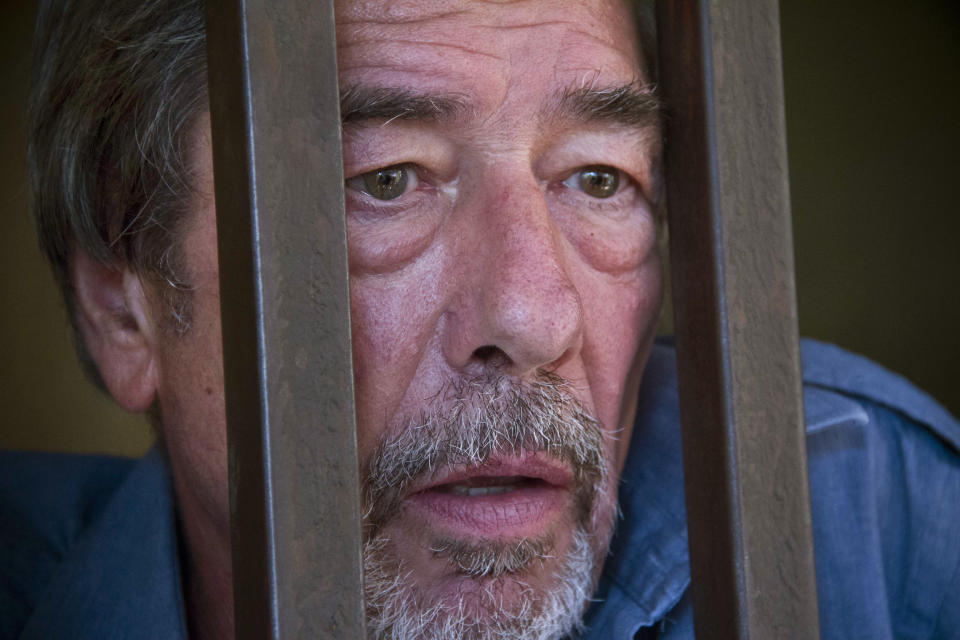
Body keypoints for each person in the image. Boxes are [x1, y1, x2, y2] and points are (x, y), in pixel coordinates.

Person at [2, 0, 958, 638]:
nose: (535, 317)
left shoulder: (864, 506)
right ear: (121, 311)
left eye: (598, 177)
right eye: (384, 181)